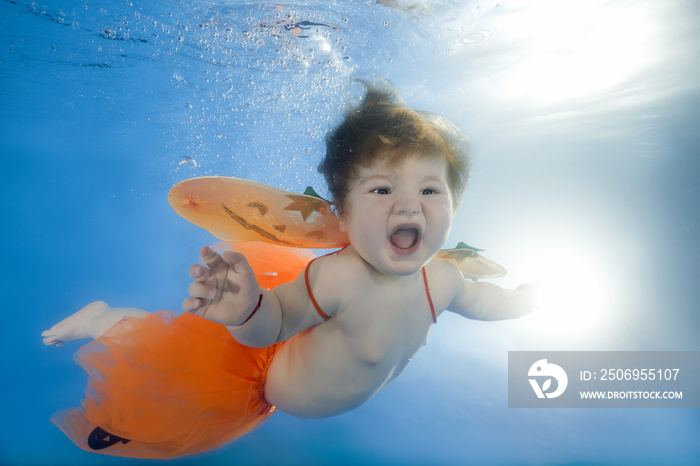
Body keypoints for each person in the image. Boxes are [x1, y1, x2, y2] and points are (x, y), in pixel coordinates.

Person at [42, 81, 536, 459]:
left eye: (430, 191)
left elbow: (482, 301)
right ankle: (98, 319)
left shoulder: (444, 280)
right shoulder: (340, 279)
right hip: (254, 379)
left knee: (164, 351)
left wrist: (522, 302)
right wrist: (247, 311)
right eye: (382, 190)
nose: (409, 207)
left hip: (291, 383)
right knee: (158, 352)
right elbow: (273, 324)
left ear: (455, 205)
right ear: (341, 212)